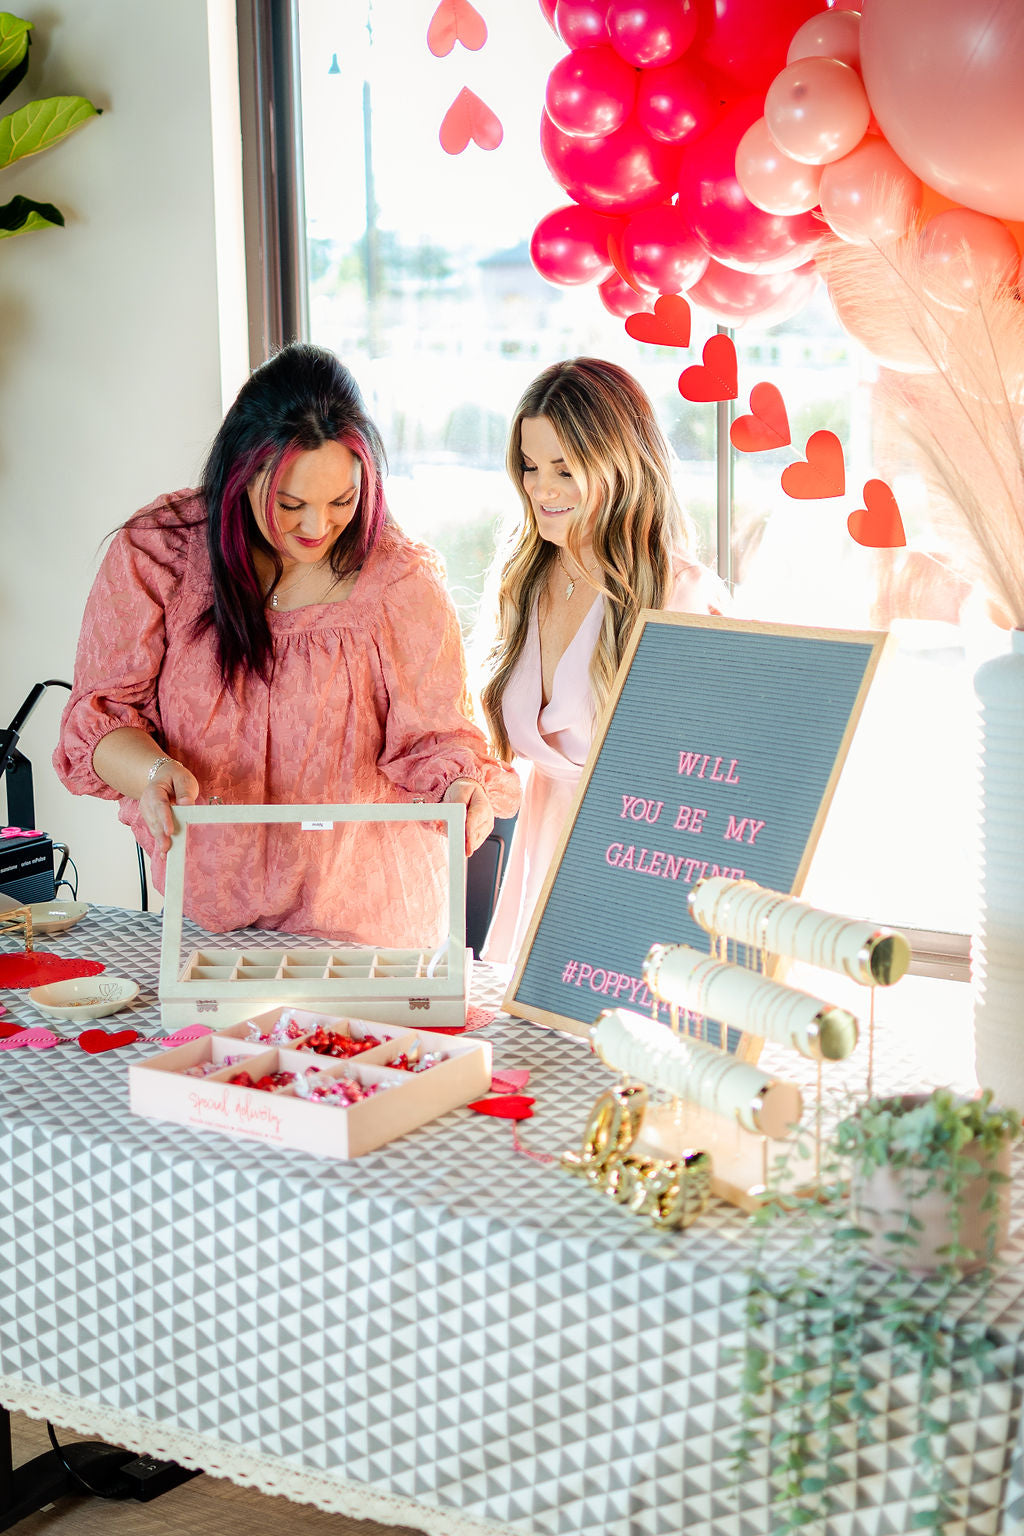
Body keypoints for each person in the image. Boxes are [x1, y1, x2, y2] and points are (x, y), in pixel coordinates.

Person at [54, 343, 519, 945]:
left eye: (342, 502)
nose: (316, 527)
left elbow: (435, 739)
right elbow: (103, 716)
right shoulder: (160, 553)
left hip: (370, 926)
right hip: (210, 918)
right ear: (239, 476)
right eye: (290, 504)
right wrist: (153, 772)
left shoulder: (398, 580)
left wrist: (460, 791)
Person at [480, 357, 727, 964]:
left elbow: (708, 784)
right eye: (530, 466)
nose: (540, 488)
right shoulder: (527, 576)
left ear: (619, 465)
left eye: (565, 469)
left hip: (637, 872)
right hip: (538, 865)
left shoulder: (682, 594)